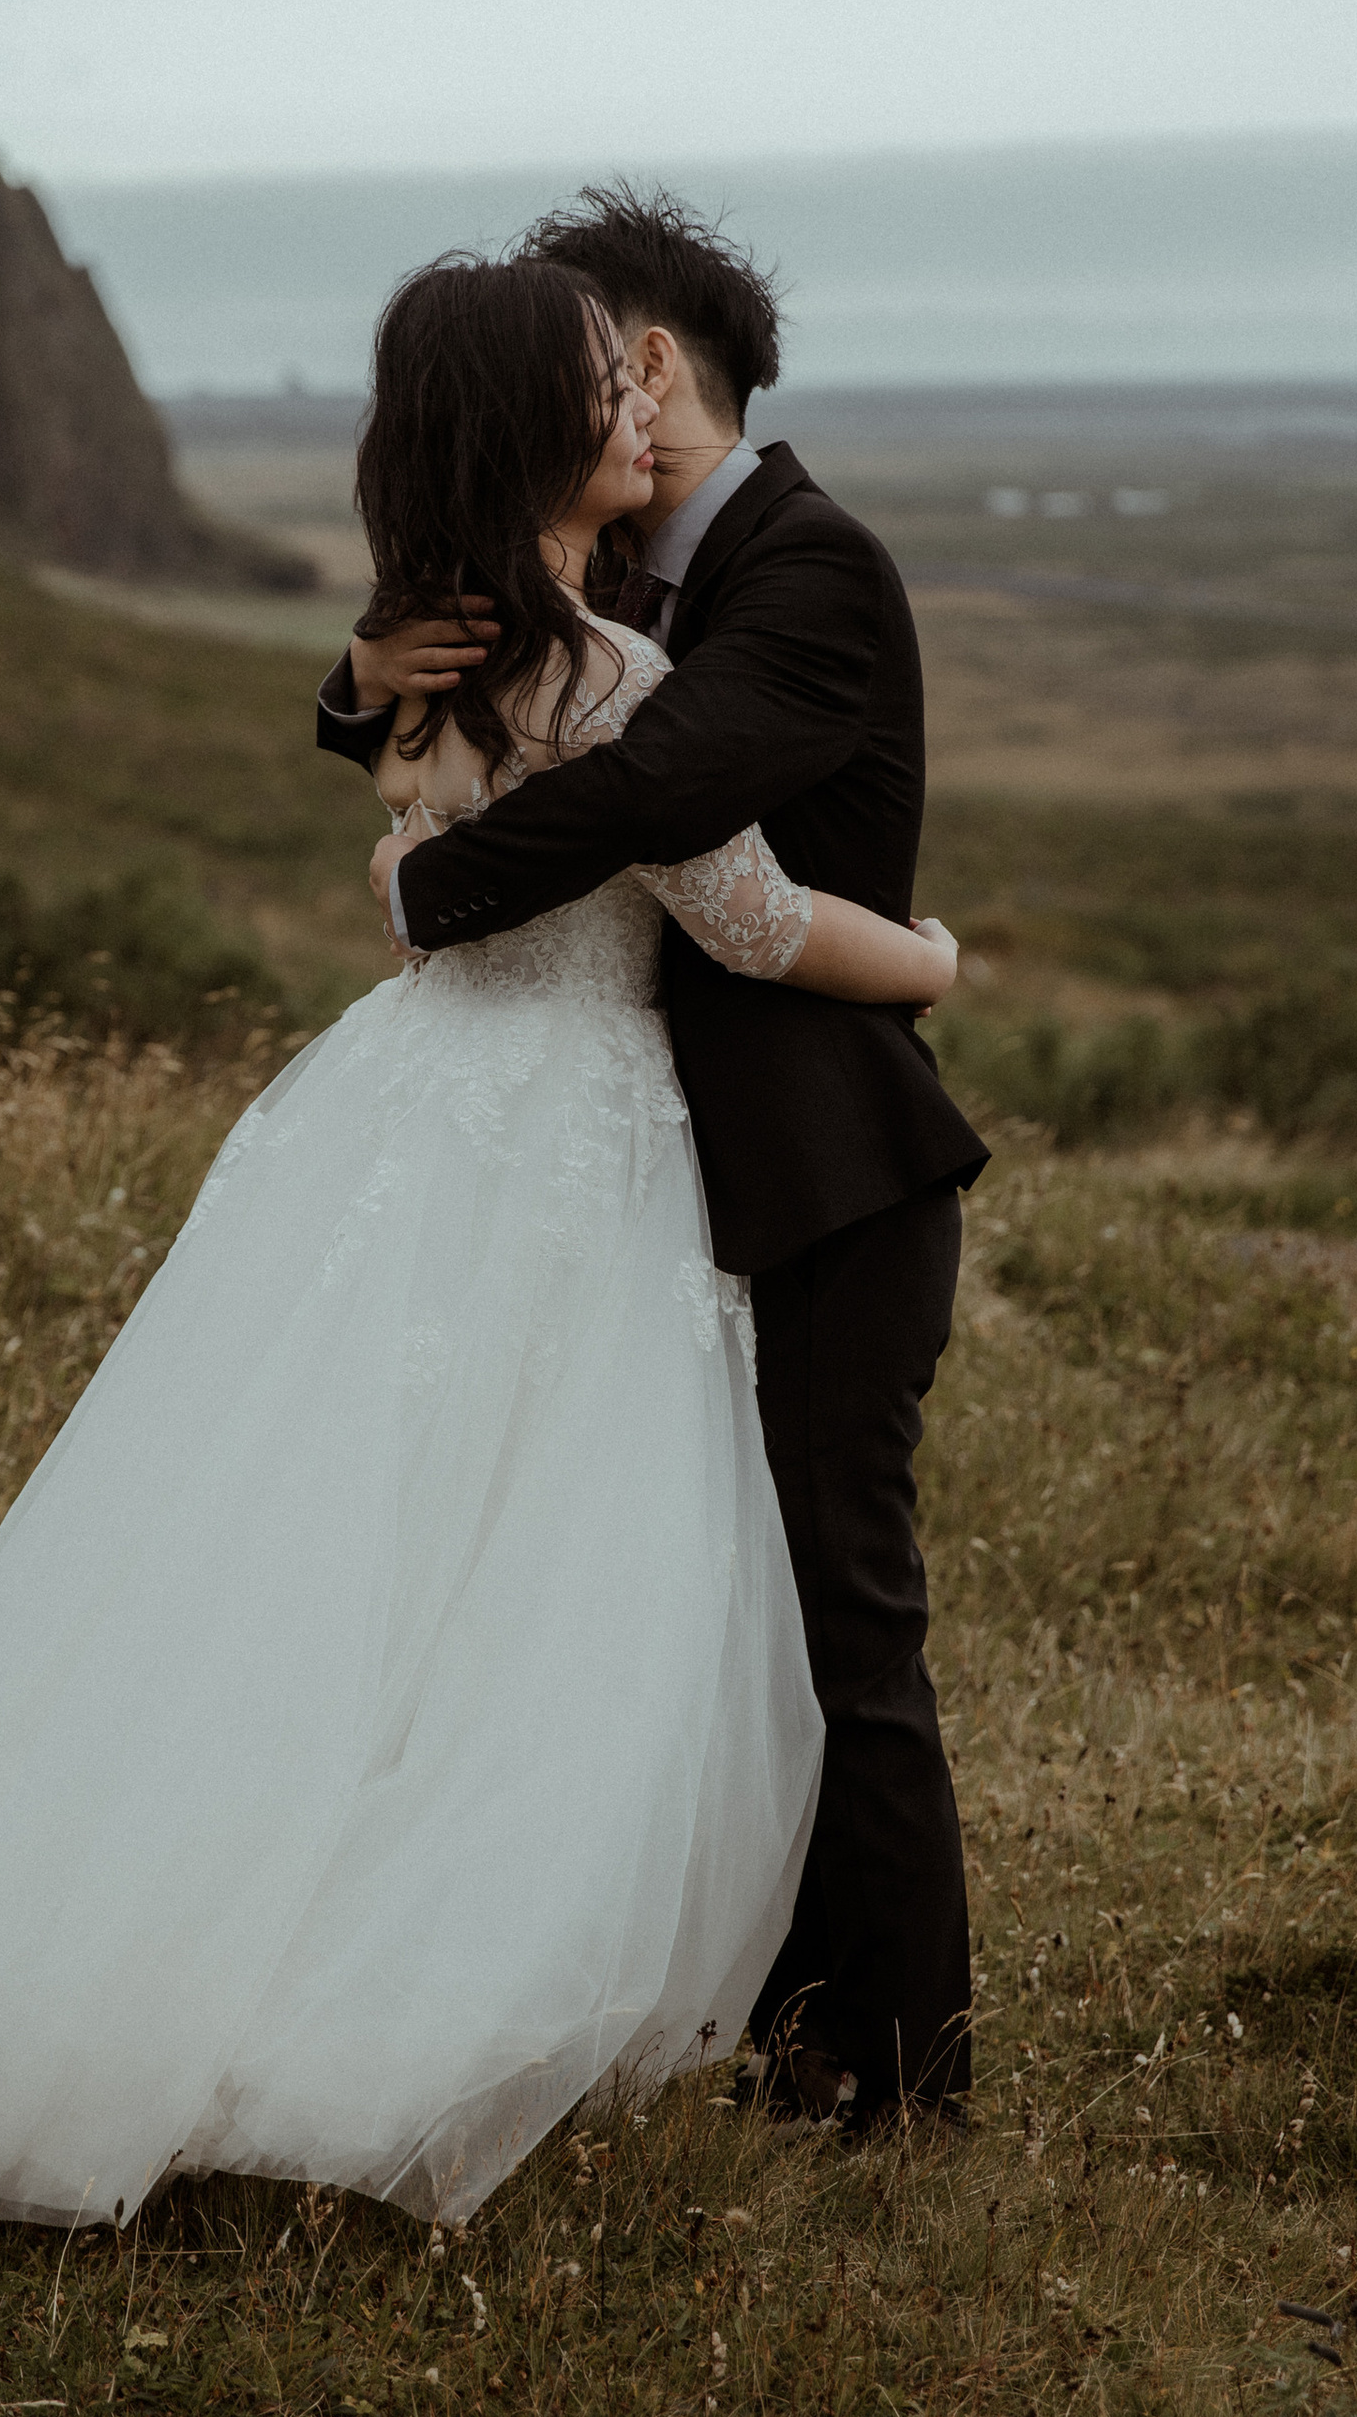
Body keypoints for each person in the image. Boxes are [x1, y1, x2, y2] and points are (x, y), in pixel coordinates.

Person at [0, 254, 959, 2229]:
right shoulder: (579, 657)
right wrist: (933, 962)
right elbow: (729, 894)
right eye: (589, 387)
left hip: (443, 1122)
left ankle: (861, 2065)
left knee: (324, 1552)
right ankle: (515, 2025)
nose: (625, 409)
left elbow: (446, 785)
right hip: (575, 1138)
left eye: (629, 374)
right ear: (559, 420)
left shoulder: (635, 608)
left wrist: (409, 806)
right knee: (555, 1592)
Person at [327, 188, 990, 2135]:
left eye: (586, 349)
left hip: (825, 1172)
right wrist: (368, 682)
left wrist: (427, 884)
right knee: (689, 1613)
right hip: (637, 1172)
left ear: (648, 364)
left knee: (833, 1619)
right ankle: (748, 2040)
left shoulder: (810, 570)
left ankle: (892, 2092)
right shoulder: (598, 580)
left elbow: (651, 792)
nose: (581, 392)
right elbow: (472, 683)